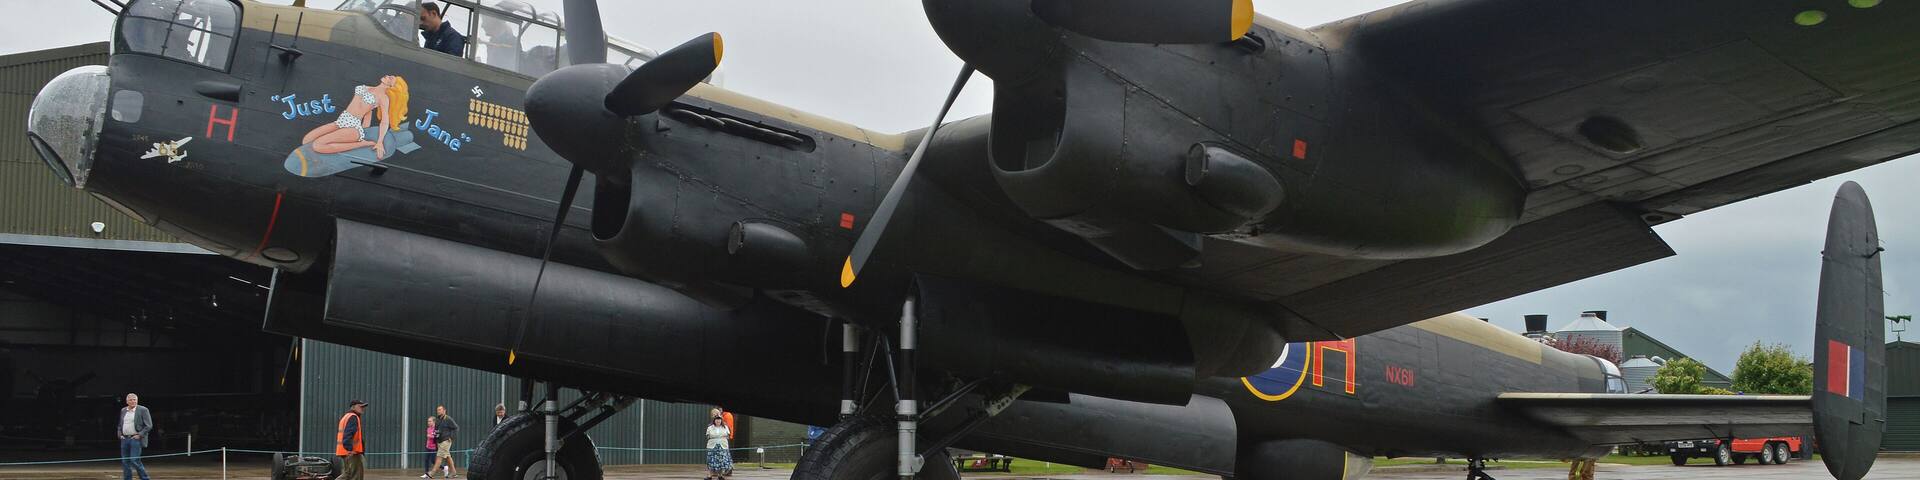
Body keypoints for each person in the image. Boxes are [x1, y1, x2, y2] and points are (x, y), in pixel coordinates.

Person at [297, 75, 409, 158]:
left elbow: (385, 121)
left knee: (317, 146)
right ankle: (356, 141)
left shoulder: (383, 98)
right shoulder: (365, 87)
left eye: (391, 78)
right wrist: (366, 126)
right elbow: (367, 113)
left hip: (353, 127)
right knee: (307, 140)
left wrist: (380, 142)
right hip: (341, 121)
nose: (388, 76)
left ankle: (360, 144)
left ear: (392, 86)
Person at [117, 393, 152, 480]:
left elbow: (149, 425)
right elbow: (120, 425)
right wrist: (119, 434)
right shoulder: (123, 410)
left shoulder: (143, 410)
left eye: (134, 400)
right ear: (127, 401)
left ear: (137, 400)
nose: (133, 401)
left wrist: (139, 435)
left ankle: (145, 478)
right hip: (124, 439)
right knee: (125, 461)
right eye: (131, 400)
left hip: (135, 439)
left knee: (134, 460)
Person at [337, 400, 369, 480]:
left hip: (346, 452)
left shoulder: (346, 416)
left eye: (363, 407)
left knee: (348, 475)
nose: (362, 408)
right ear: (353, 407)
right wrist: (350, 449)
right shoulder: (353, 417)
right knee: (356, 476)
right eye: (360, 406)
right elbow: (348, 435)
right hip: (352, 453)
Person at [431, 405, 460, 478]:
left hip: (446, 441)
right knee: (447, 456)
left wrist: (451, 437)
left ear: (444, 411)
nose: (438, 411)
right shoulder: (437, 419)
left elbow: (456, 428)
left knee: (439, 456)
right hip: (440, 441)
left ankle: (432, 473)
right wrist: (435, 439)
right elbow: (436, 430)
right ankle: (453, 472)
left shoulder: (448, 419)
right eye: (437, 410)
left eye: (440, 410)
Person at [704, 416, 732, 480]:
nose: (718, 421)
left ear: (721, 421)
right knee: (711, 461)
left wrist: (717, 436)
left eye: (719, 420)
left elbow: (727, 435)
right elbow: (708, 436)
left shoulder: (725, 427)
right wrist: (719, 436)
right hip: (712, 446)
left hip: (723, 446)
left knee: (721, 460)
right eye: (716, 420)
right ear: (714, 421)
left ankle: (720, 475)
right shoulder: (710, 428)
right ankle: (710, 476)